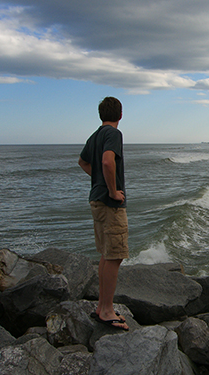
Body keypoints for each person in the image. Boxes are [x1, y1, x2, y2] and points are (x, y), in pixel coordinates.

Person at [78, 96, 129, 331]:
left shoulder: (95, 135)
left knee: (106, 253)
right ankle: (107, 310)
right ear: (120, 115)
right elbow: (108, 162)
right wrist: (112, 190)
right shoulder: (113, 134)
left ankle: (101, 306)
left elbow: (83, 162)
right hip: (109, 203)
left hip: (96, 200)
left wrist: (98, 181)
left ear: (101, 115)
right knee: (115, 255)